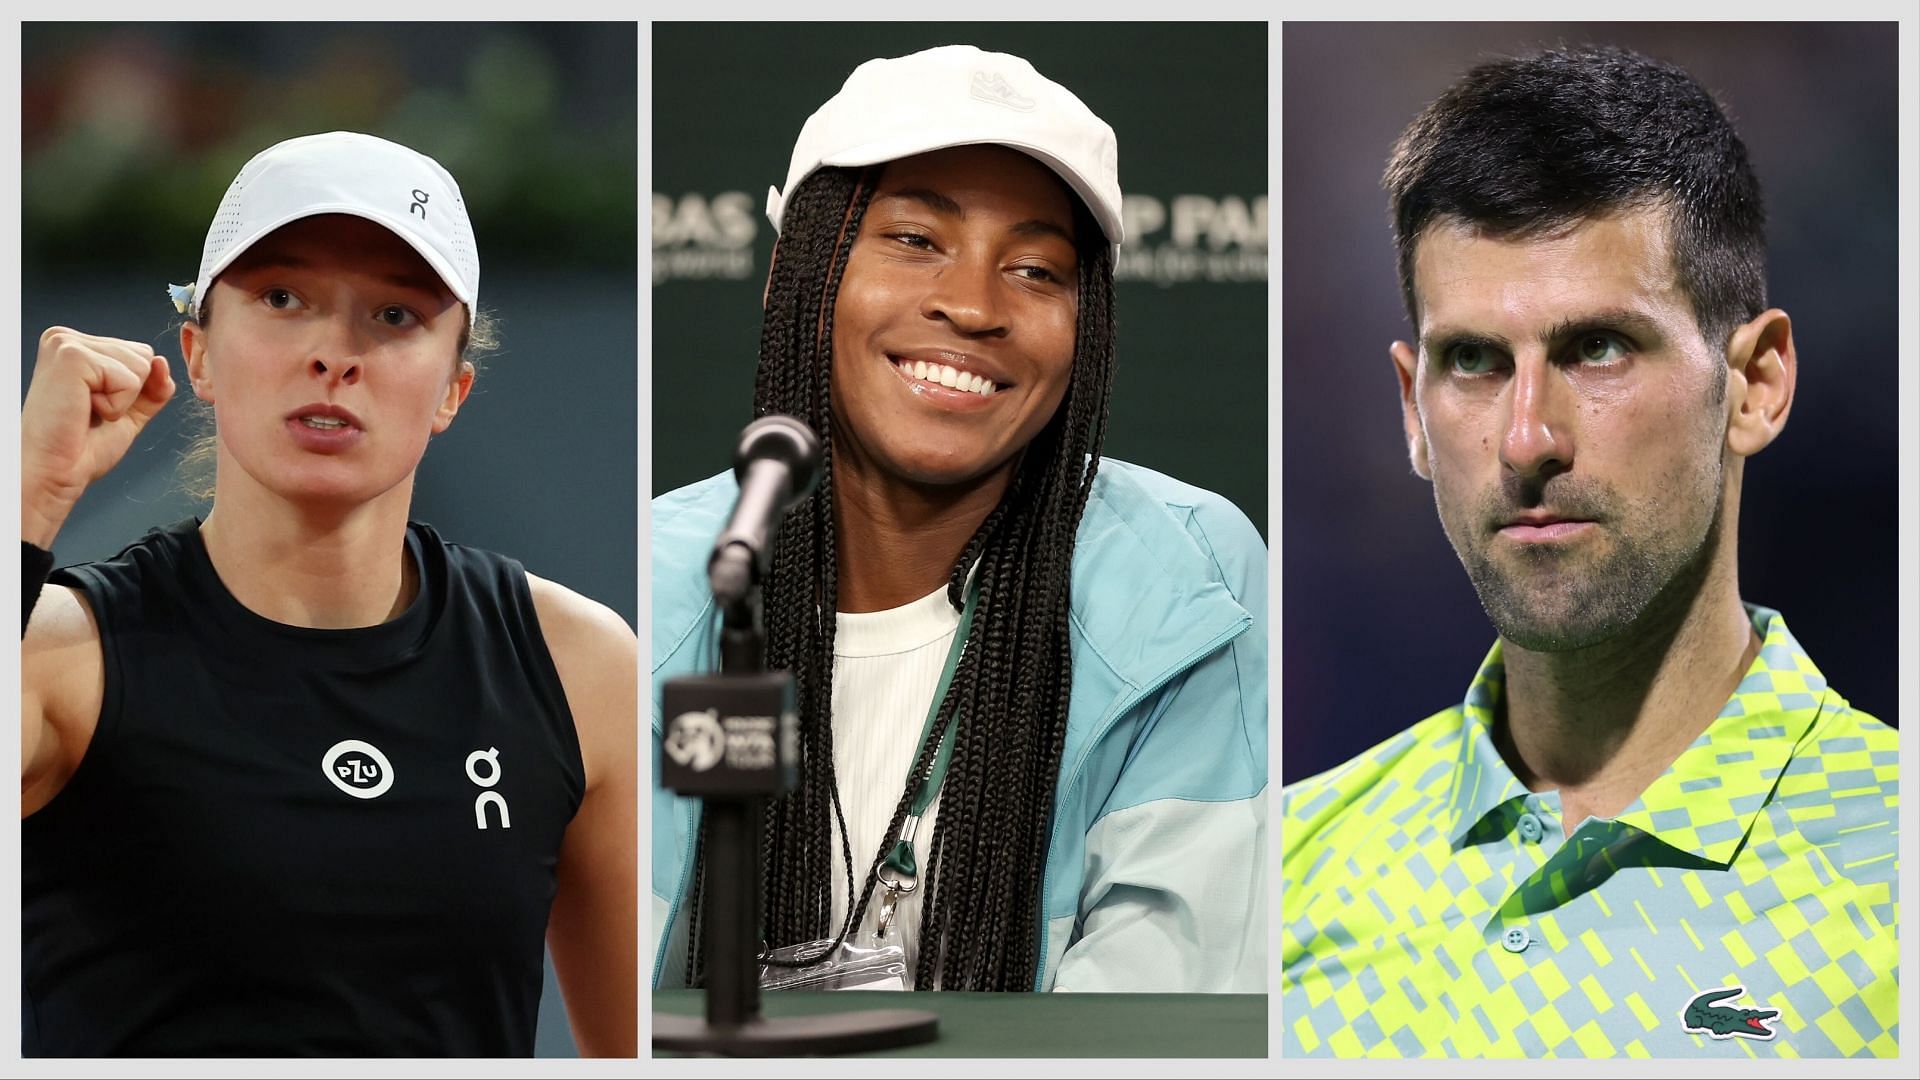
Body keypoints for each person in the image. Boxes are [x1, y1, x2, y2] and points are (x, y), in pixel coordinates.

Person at [1280, 46, 1897, 1057]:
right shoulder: (1280, 874)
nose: (1527, 438)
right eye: (1473, 361)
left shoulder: (1890, 872)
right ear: (1412, 412)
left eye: (1598, 348)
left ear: (1757, 384)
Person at [651, 45, 1268, 993]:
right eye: (914, 241)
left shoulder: (1187, 584)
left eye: (1035, 269)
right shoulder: (652, 585)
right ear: (794, 275)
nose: (974, 305)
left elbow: (1159, 1026)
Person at [19, 132, 637, 1057]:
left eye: (394, 316)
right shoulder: (64, 655)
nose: (334, 354)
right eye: (281, 298)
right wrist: (29, 497)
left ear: (453, 390)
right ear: (198, 353)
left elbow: (640, 1056)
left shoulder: (577, 665)